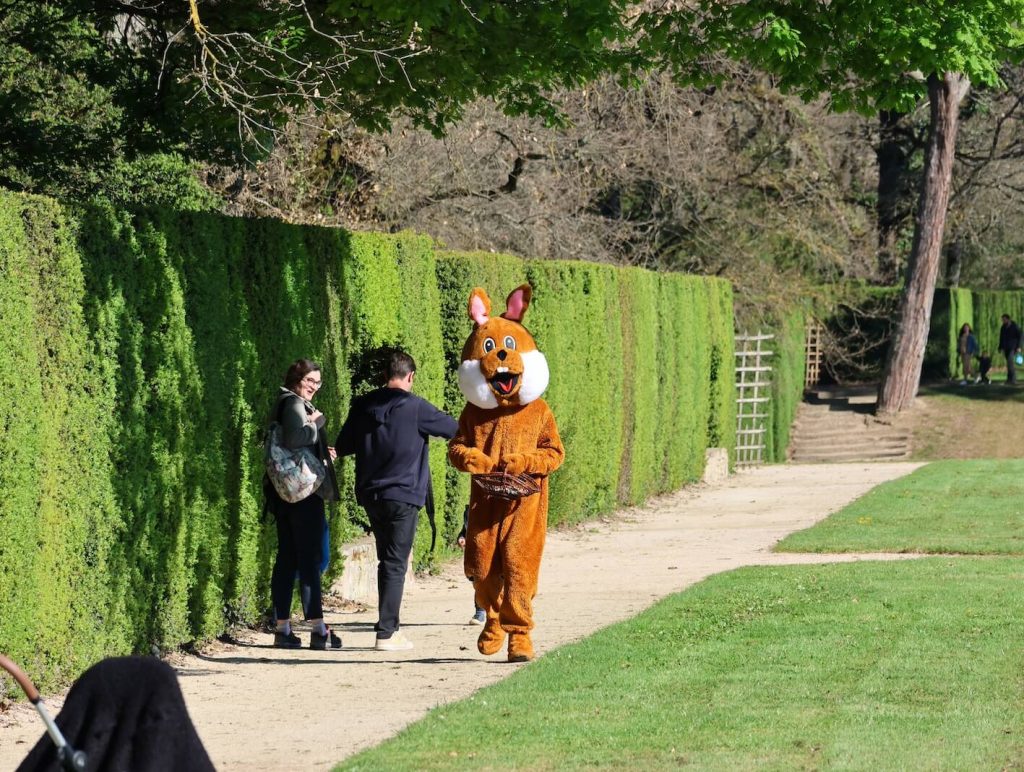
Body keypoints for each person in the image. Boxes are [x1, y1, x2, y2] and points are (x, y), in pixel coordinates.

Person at [335, 349, 457, 651]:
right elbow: (454, 429)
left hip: (370, 494)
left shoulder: (363, 404)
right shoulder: (415, 407)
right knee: (394, 562)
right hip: (403, 495)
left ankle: (386, 626)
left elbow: (344, 445)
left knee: (386, 559)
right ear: (411, 376)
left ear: (385, 375)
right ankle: (388, 632)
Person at [265, 359, 342, 651]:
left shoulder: (283, 402)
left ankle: (282, 627)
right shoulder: (294, 404)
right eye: (310, 380)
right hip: (302, 494)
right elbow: (295, 437)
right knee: (309, 558)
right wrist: (317, 424)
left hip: (282, 493)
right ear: (297, 379)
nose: (314, 387)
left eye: (317, 382)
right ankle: (318, 628)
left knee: (286, 558)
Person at [457, 505, 486, 625]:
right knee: (479, 581)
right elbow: (466, 528)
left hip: (493, 550)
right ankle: (480, 612)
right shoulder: (472, 508)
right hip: (477, 552)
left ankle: (497, 612)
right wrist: (462, 537)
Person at [999, 314, 1022, 385]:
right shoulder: (1003, 327)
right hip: (1006, 348)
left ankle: (1013, 379)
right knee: (1008, 363)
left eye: (1004, 319)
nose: (1003, 321)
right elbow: (1001, 338)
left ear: (1008, 319)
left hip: (1013, 347)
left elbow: (1020, 336)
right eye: (1002, 320)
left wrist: (1019, 346)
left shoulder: (1015, 326)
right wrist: (1000, 347)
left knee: (1010, 361)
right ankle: (1009, 379)